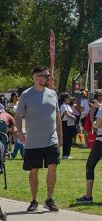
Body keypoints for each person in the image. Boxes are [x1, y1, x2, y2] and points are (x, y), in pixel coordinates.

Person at [13, 66, 62, 213]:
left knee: (52, 167)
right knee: (34, 171)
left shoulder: (52, 94)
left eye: (48, 76)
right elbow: (18, 116)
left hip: (51, 139)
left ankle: (49, 199)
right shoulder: (26, 95)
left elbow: (58, 116)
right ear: (36, 78)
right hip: (33, 140)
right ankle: (34, 200)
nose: (48, 78)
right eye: (45, 76)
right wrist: (20, 134)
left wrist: (60, 136)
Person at [59, 93, 79, 159]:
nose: (70, 99)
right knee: (66, 140)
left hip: (70, 124)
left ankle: (68, 154)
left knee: (70, 139)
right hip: (65, 124)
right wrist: (74, 118)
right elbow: (67, 114)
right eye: (68, 97)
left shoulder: (67, 105)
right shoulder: (63, 106)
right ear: (65, 98)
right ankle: (65, 155)